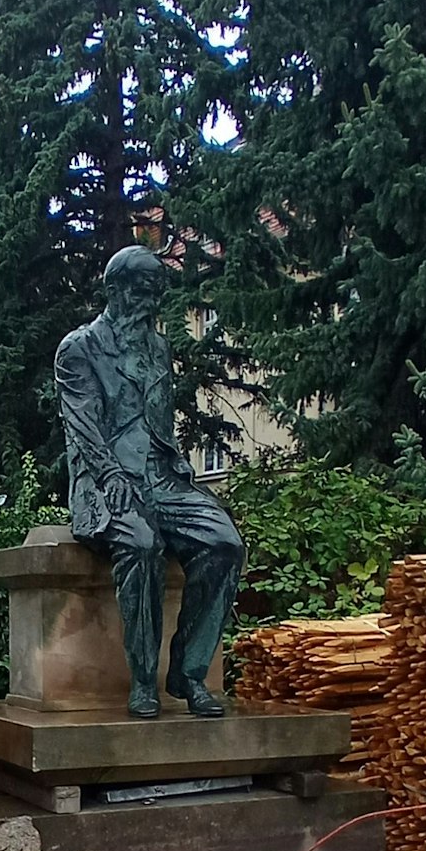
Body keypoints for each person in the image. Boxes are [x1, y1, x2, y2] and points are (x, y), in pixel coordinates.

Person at [54, 245, 244, 718]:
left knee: (225, 544)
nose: (151, 303)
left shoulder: (158, 347)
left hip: (161, 477)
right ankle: (143, 680)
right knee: (141, 545)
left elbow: (158, 422)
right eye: (143, 291)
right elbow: (82, 424)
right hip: (105, 479)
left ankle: (188, 674)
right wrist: (111, 474)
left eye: (157, 293)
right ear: (114, 288)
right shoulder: (80, 348)